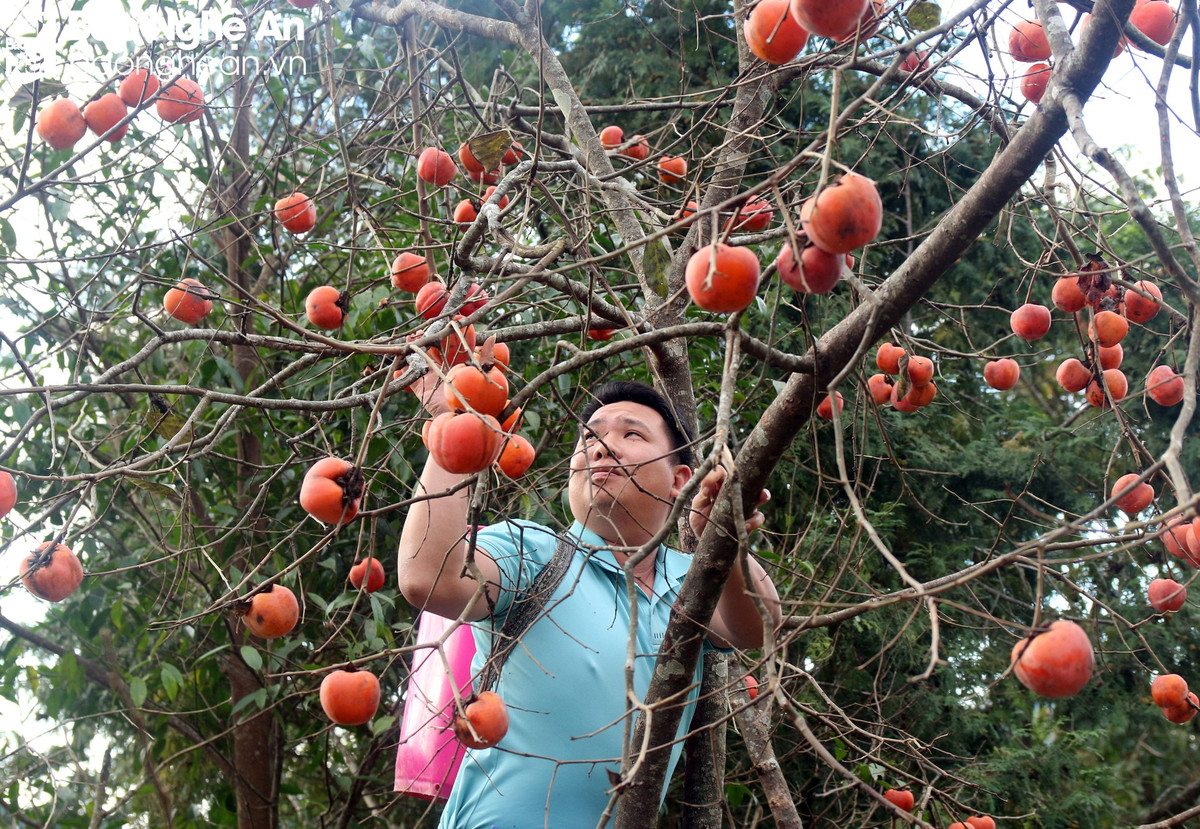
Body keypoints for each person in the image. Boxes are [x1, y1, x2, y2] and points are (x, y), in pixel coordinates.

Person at [397, 378, 780, 829]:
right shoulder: (534, 554)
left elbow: (758, 627)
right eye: (591, 437)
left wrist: (722, 538)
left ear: (680, 479)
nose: (603, 448)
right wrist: (458, 419)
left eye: (631, 434)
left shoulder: (688, 581)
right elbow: (430, 577)